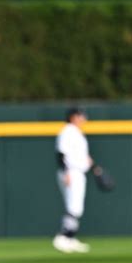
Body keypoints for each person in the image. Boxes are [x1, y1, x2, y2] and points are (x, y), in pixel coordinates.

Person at [52, 107, 93, 253]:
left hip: (77, 172)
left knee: (77, 207)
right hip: (71, 172)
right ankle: (63, 237)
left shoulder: (75, 132)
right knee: (73, 207)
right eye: (81, 116)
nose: (84, 119)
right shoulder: (68, 131)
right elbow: (61, 153)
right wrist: (66, 172)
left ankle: (70, 237)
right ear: (73, 117)